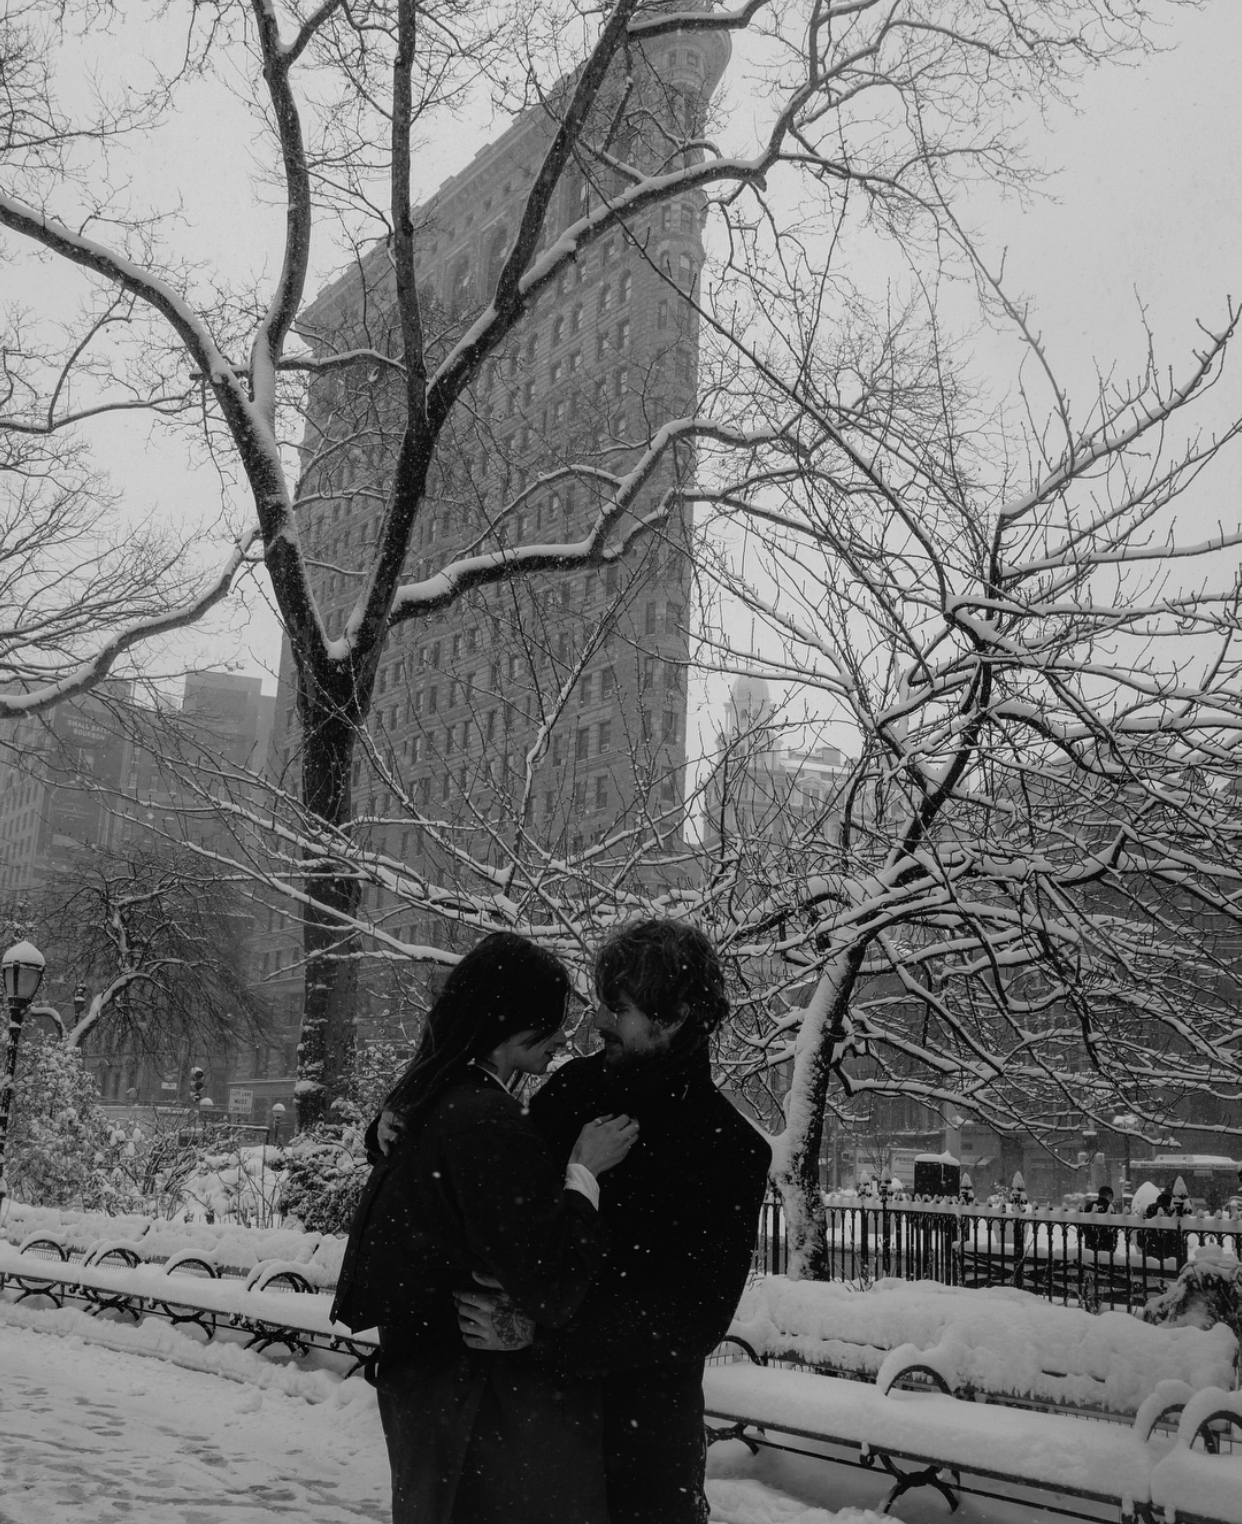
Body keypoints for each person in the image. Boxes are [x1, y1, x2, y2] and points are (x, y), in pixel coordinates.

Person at [454, 919, 772, 1524]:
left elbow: (693, 1316)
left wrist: (540, 1335)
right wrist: (395, 1123)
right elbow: (491, 1187)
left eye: (618, 1007)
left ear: (674, 1016)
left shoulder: (727, 1148)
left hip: (643, 1447)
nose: (598, 1022)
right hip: (538, 1424)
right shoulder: (575, 1091)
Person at [330, 931, 639, 1523]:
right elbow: (551, 1285)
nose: (563, 1037)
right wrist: (584, 1174)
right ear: (511, 1019)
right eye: (552, 1021)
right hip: (479, 1402)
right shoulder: (486, 1121)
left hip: (427, 1385)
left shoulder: (430, 1098)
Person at [1081, 1184, 1117, 1255]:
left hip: (1090, 1244)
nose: (1112, 1200)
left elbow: (1084, 1227)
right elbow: (1113, 1228)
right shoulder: (1109, 1208)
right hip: (1106, 1245)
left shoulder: (1089, 1206)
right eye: (1111, 1197)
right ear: (1108, 1195)